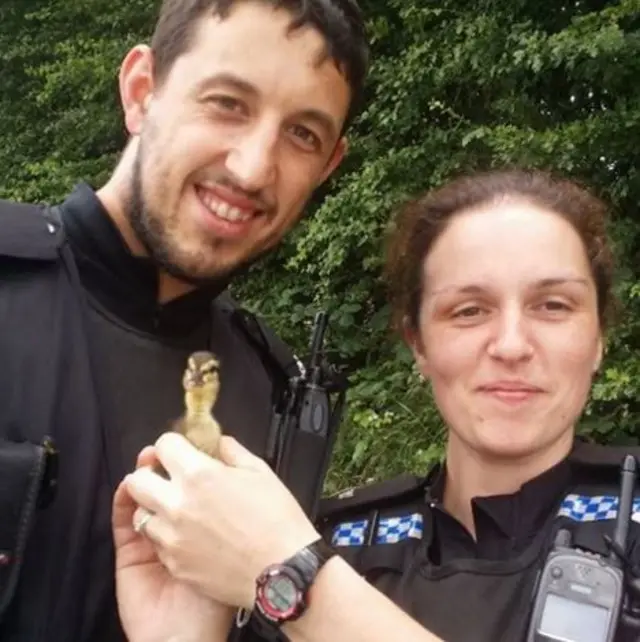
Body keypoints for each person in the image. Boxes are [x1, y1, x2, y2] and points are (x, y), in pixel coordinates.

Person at [117, 168, 640, 642]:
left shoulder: (286, 556)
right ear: (419, 345)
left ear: (599, 338)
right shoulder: (337, 535)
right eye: (469, 310)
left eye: (553, 306)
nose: (510, 344)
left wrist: (299, 578)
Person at [0, 0, 369, 641]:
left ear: (328, 167)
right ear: (143, 92)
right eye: (227, 102)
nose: (253, 168)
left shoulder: (276, 401)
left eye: (302, 134)